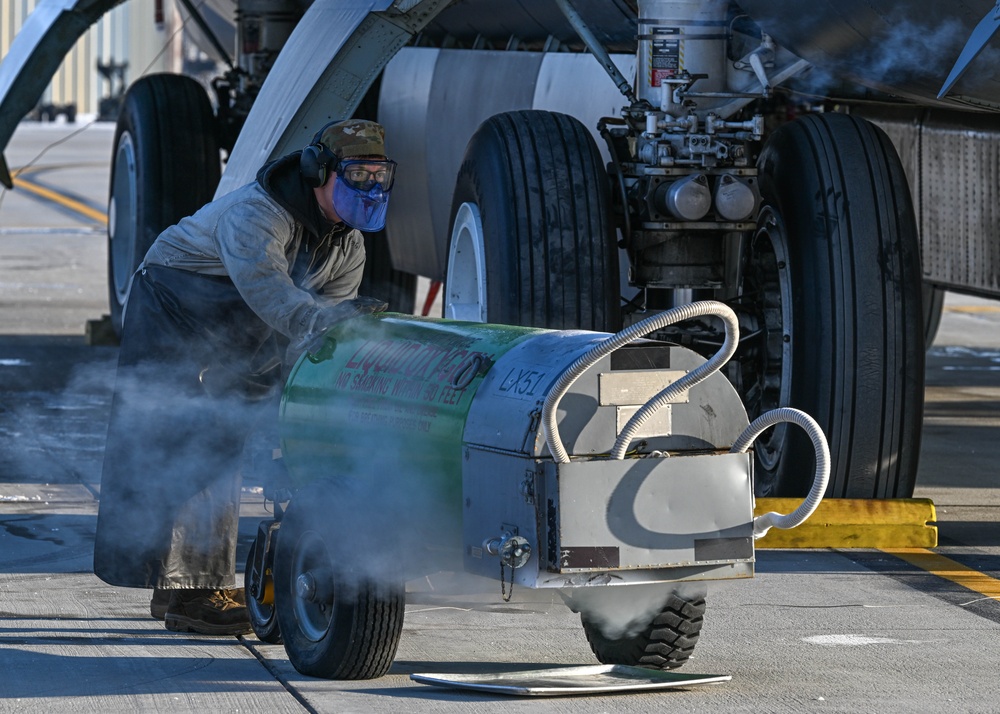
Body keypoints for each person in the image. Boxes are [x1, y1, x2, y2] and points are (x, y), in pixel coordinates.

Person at [94, 119, 395, 635]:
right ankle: (194, 596)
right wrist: (322, 324)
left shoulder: (349, 247)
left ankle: (178, 591)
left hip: (248, 324)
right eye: (357, 174)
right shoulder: (256, 216)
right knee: (191, 434)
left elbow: (321, 331)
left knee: (230, 432)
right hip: (178, 304)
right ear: (319, 172)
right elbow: (276, 298)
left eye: (379, 175)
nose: (371, 187)